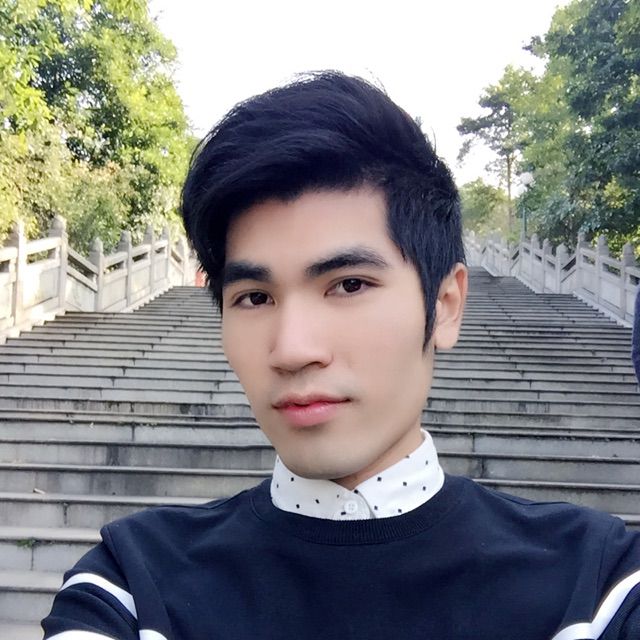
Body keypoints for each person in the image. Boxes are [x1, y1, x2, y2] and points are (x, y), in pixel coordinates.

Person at [42, 72, 640, 640]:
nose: (292, 349)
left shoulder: (595, 587)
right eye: (254, 297)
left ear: (445, 304)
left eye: (349, 284)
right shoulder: (133, 586)